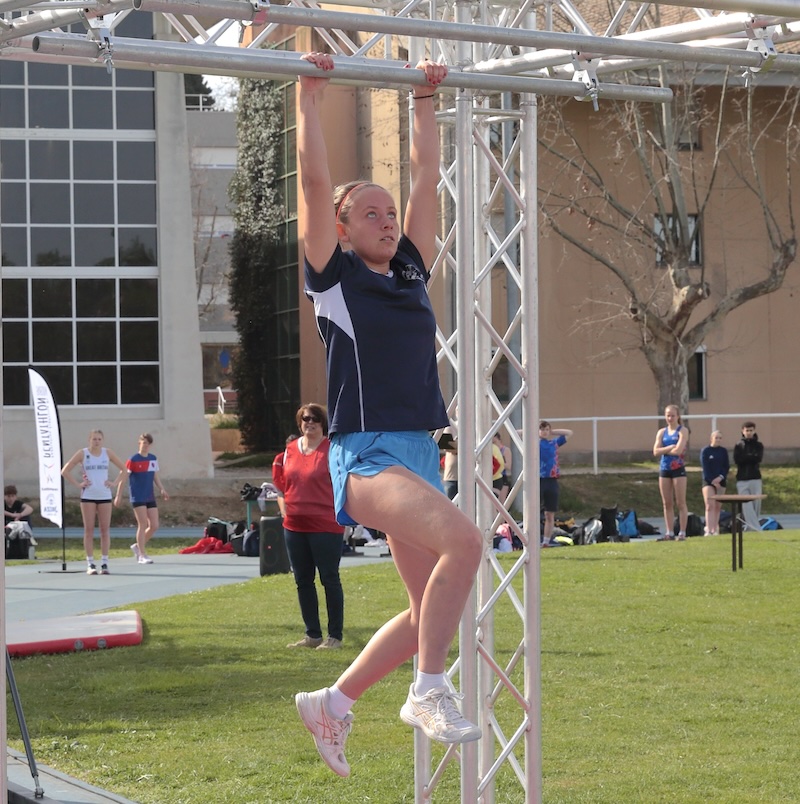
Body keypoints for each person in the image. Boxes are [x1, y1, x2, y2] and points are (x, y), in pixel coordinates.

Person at [294, 52, 484, 778]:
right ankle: (429, 690)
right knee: (466, 546)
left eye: (387, 211)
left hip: (416, 451)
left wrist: (424, 103)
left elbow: (426, 179)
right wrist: (310, 101)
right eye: (368, 212)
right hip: (367, 456)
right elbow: (314, 185)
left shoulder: (408, 269)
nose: (385, 218)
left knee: (423, 613)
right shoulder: (335, 281)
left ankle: (333, 703)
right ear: (342, 230)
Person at [272, 404, 345, 651]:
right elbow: (282, 483)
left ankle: (334, 636)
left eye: (315, 419)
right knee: (303, 580)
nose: (309, 423)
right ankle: (312, 634)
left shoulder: (333, 450)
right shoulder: (290, 450)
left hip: (325, 525)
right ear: (299, 423)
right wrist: (285, 509)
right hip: (294, 525)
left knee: (329, 579)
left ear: (323, 423)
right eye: (305, 419)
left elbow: (344, 484)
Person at [61, 430, 127, 575]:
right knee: (89, 529)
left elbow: (124, 469)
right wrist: (78, 484)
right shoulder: (83, 454)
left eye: (99, 439)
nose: (96, 442)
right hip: (88, 495)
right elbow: (65, 471)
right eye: (94, 439)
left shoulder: (107, 453)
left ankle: (104, 562)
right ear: (89, 440)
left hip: (104, 495)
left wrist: (114, 483)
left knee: (105, 529)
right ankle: (90, 563)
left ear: (102, 440)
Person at [114, 433, 169, 564]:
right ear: (139, 443)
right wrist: (118, 495)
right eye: (143, 442)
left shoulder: (152, 459)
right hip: (137, 495)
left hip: (149, 495)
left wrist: (161, 488)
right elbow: (123, 478)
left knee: (154, 525)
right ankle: (142, 555)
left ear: (150, 445)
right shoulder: (133, 459)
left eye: (147, 443)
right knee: (142, 523)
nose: (145, 445)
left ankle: (138, 547)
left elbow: (155, 475)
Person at [653, 404, 689, 540]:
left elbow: (678, 451)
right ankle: (669, 532)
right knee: (666, 503)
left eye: (673, 415)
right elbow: (656, 451)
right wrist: (668, 447)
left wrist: (665, 450)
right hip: (664, 469)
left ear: (678, 416)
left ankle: (682, 532)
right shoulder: (662, 432)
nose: (670, 418)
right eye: (668, 415)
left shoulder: (682, 431)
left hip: (678, 469)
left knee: (680, 502)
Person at [539, 421, 573, 545]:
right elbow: (516, 433)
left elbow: (569, 433)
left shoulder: (553, 443)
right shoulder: (534, 442)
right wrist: (531, 430)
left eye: (546, 430)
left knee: (550, 513)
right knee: (534, 512)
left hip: (551, 480)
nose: (544, 432)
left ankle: (546, 541)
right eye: (542, 429)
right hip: (539, 480)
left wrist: (552, 432)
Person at [733, 420, 764, 532]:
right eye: (747, 430)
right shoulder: (739, 445)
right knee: (746, 504)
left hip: (755, 477)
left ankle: (752, 527)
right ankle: (755, 528)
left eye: (751, 430)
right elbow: (738, 460)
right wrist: (749, 457)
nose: (749, 432)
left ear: (754, 431)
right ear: (743, 431)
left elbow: (758, 458)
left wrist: (747, 457)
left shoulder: (758, 445)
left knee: (756, 503)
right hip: (742, 478)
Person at [700, 430, 729, 536]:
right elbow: (705, 467)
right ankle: (708, 528)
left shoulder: (723, 451)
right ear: (711, 438)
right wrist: (712, 480)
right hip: (708, 481)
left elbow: (726, 466)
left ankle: (715, 529)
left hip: (721, 481)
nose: (718, 440)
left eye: (720, 438)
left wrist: (720, 478)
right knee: (709, 505)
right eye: (716, 437)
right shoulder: (706, 451)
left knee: (717, 506)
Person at [493, 433, 512, 504]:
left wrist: (498, 462)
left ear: (499, 440)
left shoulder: (505, 450)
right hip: (494, 476)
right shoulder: (491, 450)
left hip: (504, 476)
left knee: (501, 502)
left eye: (495, 442)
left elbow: (508, 466)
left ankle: (502, 515)